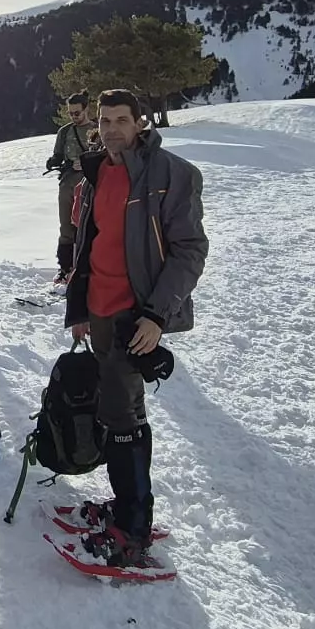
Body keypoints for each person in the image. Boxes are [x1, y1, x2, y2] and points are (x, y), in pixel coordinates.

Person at [61, 89, 209, 569]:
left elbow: (190, 251)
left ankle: (132, 530)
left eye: (121, 120)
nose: (111, 130)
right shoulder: (96, 172)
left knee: (123, 416)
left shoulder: (171, 175)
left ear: (140, 123)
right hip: (100, 310)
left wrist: (157, 315)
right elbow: (88, 245)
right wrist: (79, 309)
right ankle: (128, 505)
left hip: (135, 315)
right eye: (104, 121)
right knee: (116, 410)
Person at [44, 91, 96, 283]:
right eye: (70, 113)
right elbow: (58, 155)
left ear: (86, 109)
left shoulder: (97, 129)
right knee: (66, 226)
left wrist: (87, 163)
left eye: (77, 113)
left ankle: (89, 268)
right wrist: (54, 162)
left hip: (91, 185)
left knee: (90, 226)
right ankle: (65, 268)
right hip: (68, 184)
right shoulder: (64, 132)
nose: (73, 116)